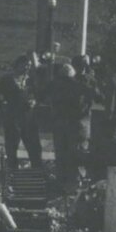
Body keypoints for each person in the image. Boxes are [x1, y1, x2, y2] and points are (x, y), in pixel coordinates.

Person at [43, 59, 90, 190]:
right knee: (74, 154)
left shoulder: (54, 85)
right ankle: (73, 182)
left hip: (59, 124)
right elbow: (84, 105)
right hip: (74, 125)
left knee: (61, 154)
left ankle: (61, 182)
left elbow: (44, 96)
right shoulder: (78, 86)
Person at [0, 59, 40, 173]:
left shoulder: (30, 80)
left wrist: (34, 101)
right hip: (12, 117)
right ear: (17, 66)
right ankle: (12, 172)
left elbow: (37, 94)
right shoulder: (7, 80)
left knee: (34, 145)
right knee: (12, 145)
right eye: (25, 65)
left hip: (28, 118)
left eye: (29, 66)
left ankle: (37, 172)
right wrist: (2, 103)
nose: (27, 68)